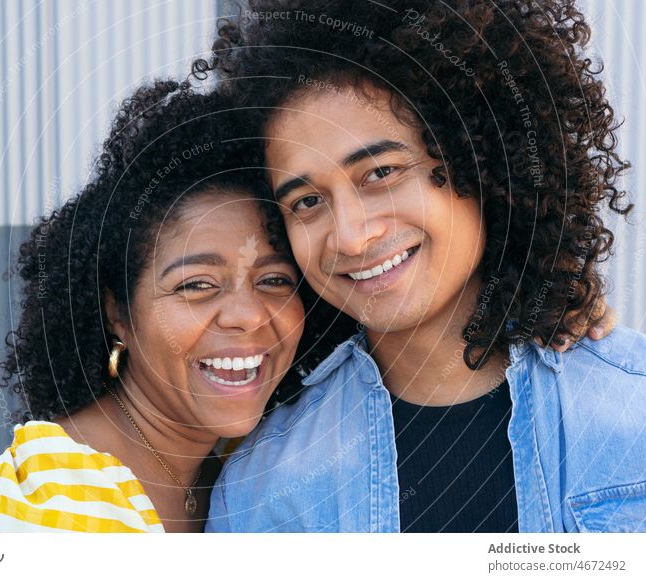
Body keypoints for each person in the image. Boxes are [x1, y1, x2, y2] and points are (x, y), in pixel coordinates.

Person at [200, 0, 645, 532]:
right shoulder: (261, 488)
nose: (350, 235)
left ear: (481, 156)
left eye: (381, 171)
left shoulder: (632, 410)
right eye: (306, 202)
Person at [0, 81, 306, 533]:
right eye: (197, 284)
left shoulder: (246, 465)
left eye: (274, 279)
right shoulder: (42, 511)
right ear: (117, 312)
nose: (249, 314)